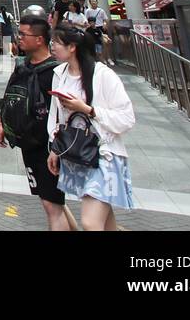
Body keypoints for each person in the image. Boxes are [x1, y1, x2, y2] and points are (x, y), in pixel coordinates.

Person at [47, 23, 137, 230]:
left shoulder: (102, 75)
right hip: (77, 154)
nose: (52, 46)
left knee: (90, 222)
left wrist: (88, 110)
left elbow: (127, 118)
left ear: (72, 47)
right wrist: (55, 147)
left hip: (103, 155)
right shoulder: (59, 74)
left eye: (56, 42)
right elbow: (56, 117)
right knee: (105, 223)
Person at [0, 15, 74, 231]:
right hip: (28, 144)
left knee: (51, 206)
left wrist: (57, 148)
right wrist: (2, 123)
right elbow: (10, 96)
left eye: (23, 34)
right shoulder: (22, 66)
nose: (19, 38)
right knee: (50, 199)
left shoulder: (56, 73)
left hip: (49, 149)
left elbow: (65, 114)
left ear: (39, 39)